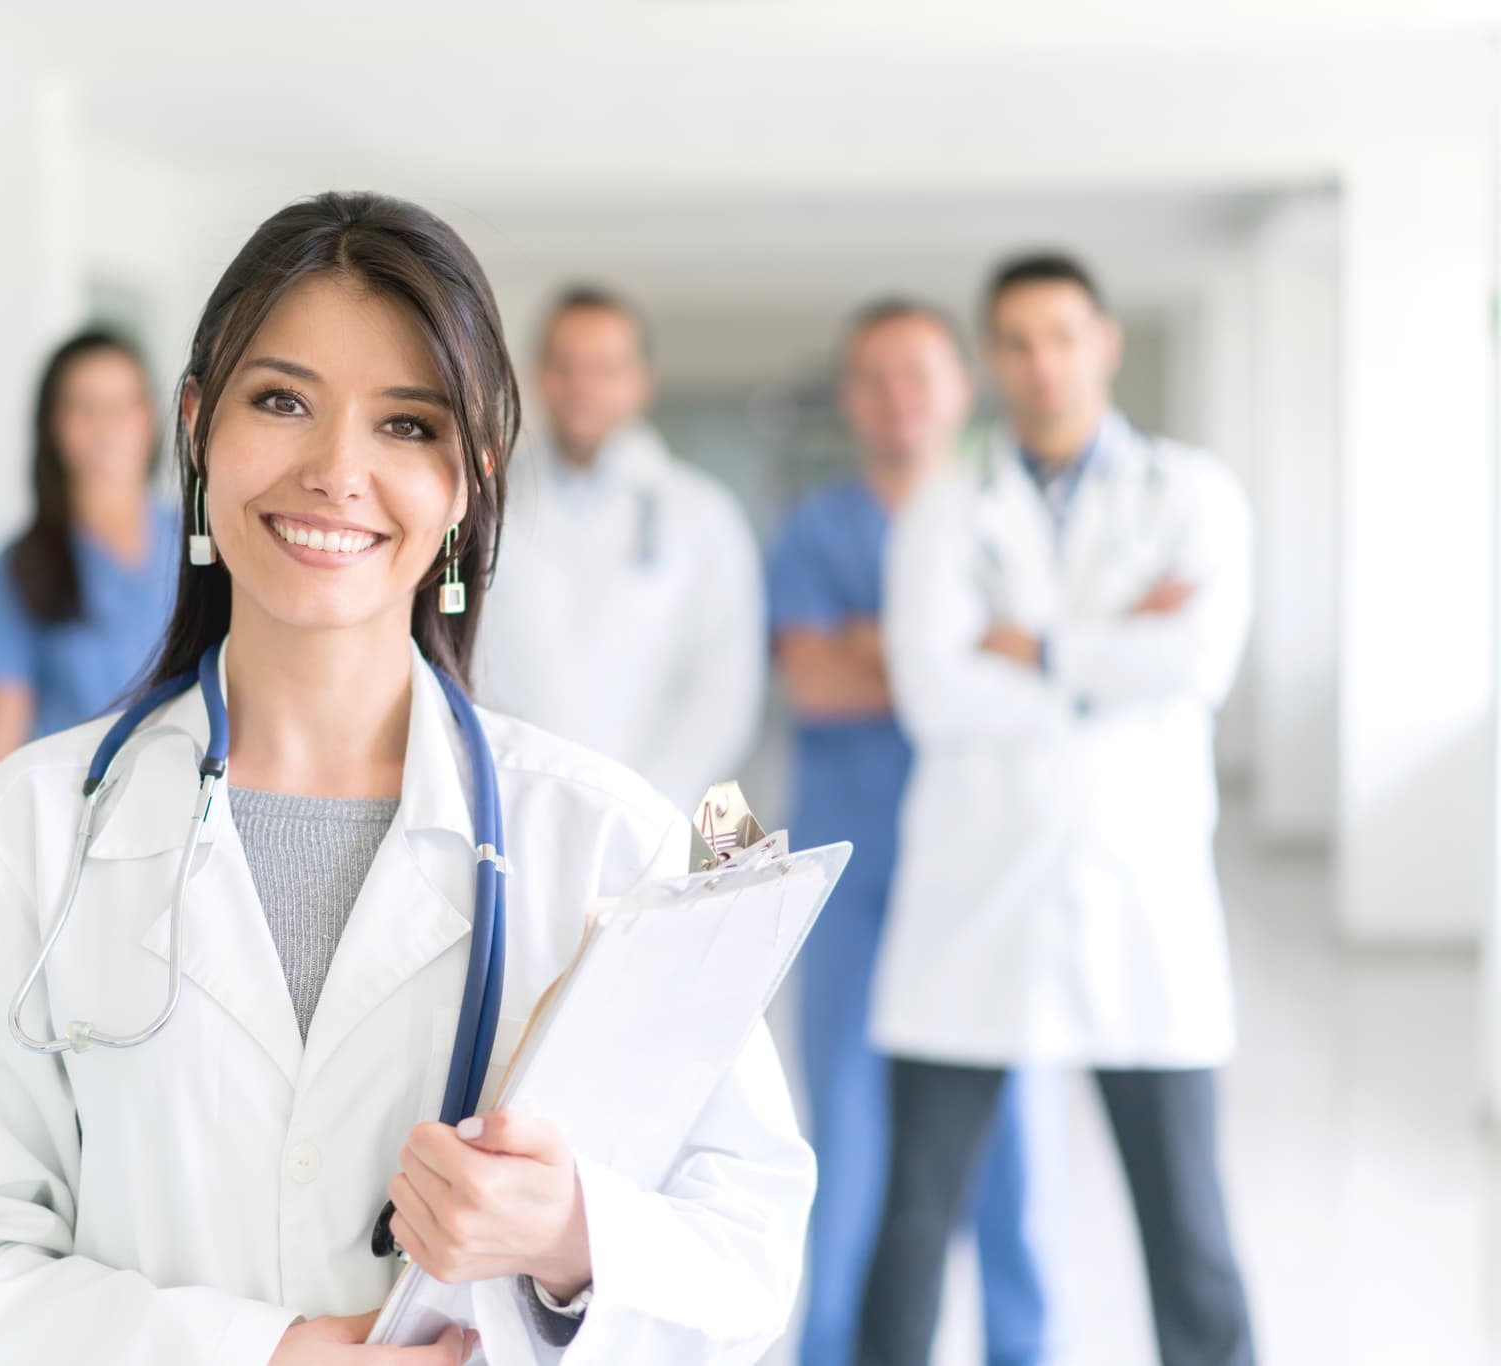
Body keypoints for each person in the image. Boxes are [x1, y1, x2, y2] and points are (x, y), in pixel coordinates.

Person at [0, 192, 814, 1366]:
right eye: (281, 400)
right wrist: (262, 1354)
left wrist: (571, 1237)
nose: (335, 470)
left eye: (407, 426)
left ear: (469, 480)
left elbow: (750, 1257)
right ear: (197, 425)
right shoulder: (27, 837)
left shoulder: (607, 839)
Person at [855, 254, 1256, 1366]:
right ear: (992, 360)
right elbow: (934, 695)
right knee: (914, 1222)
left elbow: (1198, 661)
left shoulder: (1191, 495)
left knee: (1188, 1232)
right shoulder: (945, 506)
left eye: (1062, 337)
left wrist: (1029, 642)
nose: (1041, 365)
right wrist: (1115, 647)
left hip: (1142, 903)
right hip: (972, 904)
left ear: (1103, 344)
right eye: (1017, 343)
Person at [767, 300, 1051, 1366]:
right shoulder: (813, 530)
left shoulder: (1011, 521)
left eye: (917, 375)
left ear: (959, 388)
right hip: (858, 875)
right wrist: (959, 651)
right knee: (846, 1137)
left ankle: (1023, 1349)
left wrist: (884, 642)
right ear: (849, 398)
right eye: (873, 378)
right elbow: (814, 679)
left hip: (990, 872)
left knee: (1014, 1147)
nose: (896, 399)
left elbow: (1050, 664)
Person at [475, 286, 764, 812]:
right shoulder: (478, 506)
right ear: (536, 375)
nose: (582, 386)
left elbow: (724, 690)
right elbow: (458, 662)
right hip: (513, 806)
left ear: (641, 382)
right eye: (564, 365)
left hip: (653, 813)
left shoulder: (702, 515)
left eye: (605, 368)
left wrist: (642, 804)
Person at [0, 327, 180, 771]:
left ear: (149, 418)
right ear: (54, 424)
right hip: (74, 823)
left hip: (190, 810)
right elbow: (0, 749)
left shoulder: (201, 545)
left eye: (124, 405)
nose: (108, 426)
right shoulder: (26, 564)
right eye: (86, 408)